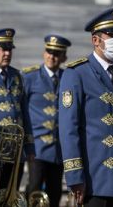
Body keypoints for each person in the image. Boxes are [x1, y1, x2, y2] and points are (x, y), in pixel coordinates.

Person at [59, 8, 113, 207]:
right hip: (95, 181)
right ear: (96, 40)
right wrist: (74, 176)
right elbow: (68, 129)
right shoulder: (76, 73)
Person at [23, 34, 71, 207]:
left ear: (64, 57)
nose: (52, 56)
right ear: (44, 53)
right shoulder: (29, 77)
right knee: (34, 191)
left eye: (57, 53)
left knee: (55, 193)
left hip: (58, 150)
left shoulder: (68, 77)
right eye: (49, 52)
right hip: (37, 148)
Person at [0, 28, 35, 190]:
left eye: (9, 49)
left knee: (11, 195)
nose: (7, 53)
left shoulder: (17, 76)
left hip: (16, 152)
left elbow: (24, 113)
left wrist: (30, 146)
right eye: (2, 49)